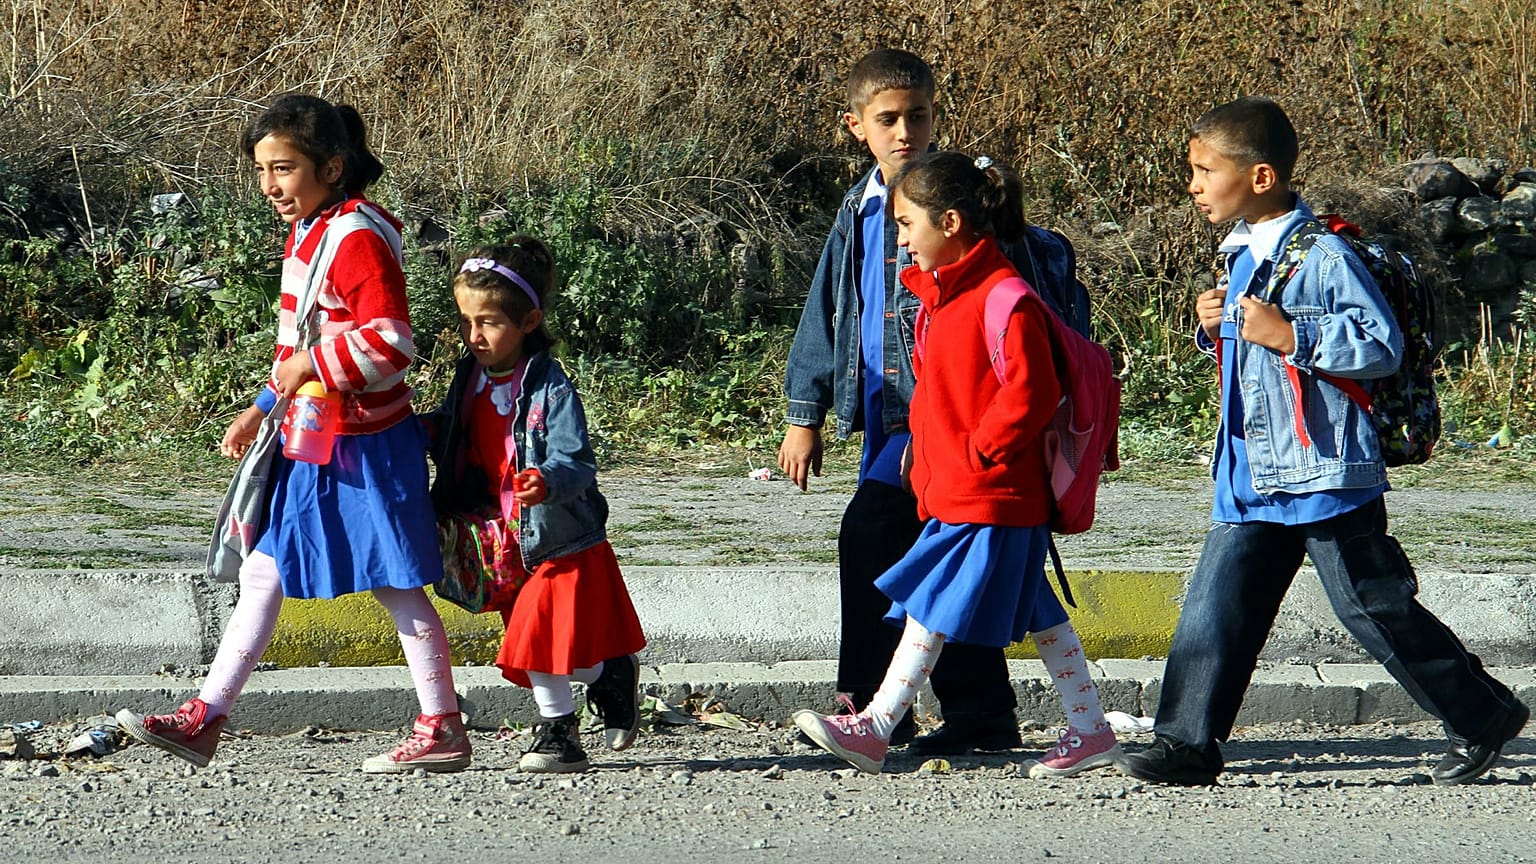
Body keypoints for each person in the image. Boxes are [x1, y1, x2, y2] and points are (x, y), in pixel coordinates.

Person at [1118, 96, 1528, 787]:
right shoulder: (1243, 252)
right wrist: (1211, 325)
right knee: (1215, 609)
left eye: (1203, 170)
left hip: (1325, 472)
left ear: (1261, 177)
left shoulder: (1325, 255)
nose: (1192, 184)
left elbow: (1379, 346)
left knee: (1374, 607)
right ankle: (1187, 743)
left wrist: (1295, 335)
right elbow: (1252, 361)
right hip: (1252, 472)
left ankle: (1482, 715)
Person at [116, 94, 471, 773]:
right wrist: (261, 404)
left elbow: (392, 343)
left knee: (396, 586)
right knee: (262, 572)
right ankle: (205, 718)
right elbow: (304, 340)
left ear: (331, 166)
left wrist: (309, 365)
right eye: (260, 170)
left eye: (282, 168)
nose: (269, 186)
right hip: (317, 439)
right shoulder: (315, 226)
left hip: (366, 446)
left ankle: (442, 727)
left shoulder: (356, 235)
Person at [792, 151, 1122, 777]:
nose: (900, 239)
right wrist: (928, 468)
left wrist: (976, 454)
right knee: (1041, 616)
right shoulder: (944, 298)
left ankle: (876, 724)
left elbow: (1031, 392)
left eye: (906, 225)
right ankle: (1091, 730)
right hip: (967, 491)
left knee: (932, 605)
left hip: (992, 492)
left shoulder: (1004, 296)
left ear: (948, 222)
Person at [779, 47, 1021, 755]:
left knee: (872, 536)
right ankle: (979, 714)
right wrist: (805, 414)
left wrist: (953, 421)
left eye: (918, 114)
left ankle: (869, 707)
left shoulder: (957, 199)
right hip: (884, 417)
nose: (904, 130)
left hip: (945, 417)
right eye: (888, 118)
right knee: (935, 557)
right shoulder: (859, 207)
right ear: (856, 126)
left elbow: (1007, 308)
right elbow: (826, 308)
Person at [422, 237, 646, 774]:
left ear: (528, 321)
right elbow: (452, 431)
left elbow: (577, 460)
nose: (474, 335)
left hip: (552, 534)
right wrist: (401, 430)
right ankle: (606, 673)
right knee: (544, 643)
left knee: (534, 636)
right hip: (499, 538)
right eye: (466, 320)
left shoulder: (549, 385)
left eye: (490, 322)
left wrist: (545, 480)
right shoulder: (469, 373)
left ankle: (558, 733)